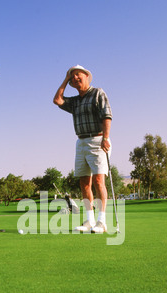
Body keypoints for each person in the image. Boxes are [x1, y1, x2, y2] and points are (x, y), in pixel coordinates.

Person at [53, 65, 112, 233]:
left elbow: (107, 116)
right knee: (84, 183)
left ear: (86, 76)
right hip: (81, 142)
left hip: (98, 139)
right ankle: (90, 220)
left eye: (78, 75)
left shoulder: (98, 93)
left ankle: (102, 222)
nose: (75, 79)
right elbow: (57, 100)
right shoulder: (75, 101)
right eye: (72, 78)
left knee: (98, 181)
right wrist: (65, 79)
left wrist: (106, 138)